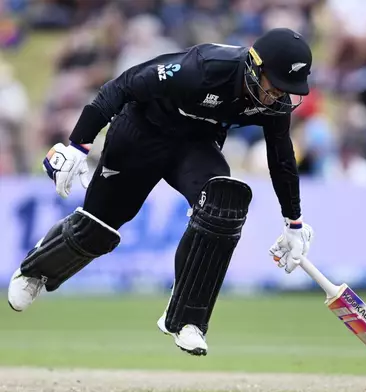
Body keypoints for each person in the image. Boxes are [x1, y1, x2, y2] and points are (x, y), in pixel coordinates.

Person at [7, 27, 315, 357]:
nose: (277, 97)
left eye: (287, 90)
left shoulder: (275, 103)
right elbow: (122, 85)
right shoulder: (205, 68)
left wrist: (294, 221)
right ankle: (36, 271)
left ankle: (186, 318)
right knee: (97, 229)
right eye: (275, 86)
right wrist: (78, 145)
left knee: (224, 201)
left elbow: (281, 156)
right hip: (141, 133)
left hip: (196, 146)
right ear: (256, 67)